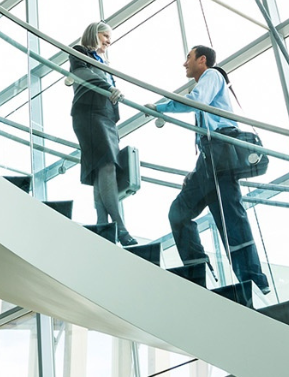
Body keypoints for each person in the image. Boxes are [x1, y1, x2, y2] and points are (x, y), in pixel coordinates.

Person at [145, 45, 270, 294]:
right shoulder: (207, 82)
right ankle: (197, 271)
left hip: (221, 158)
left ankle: (254, 281)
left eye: (188, 58)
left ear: (203, 60)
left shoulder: (212, 75)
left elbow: (197, 101)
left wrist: (160, 107)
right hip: (208, 162)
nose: (185, 63)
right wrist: (196, 172)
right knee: (179, 214)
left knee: (232, 220)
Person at [70, 21, 136, 246]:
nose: (109, 41)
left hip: (106, 117)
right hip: (89, 114)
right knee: (107, 165)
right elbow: (82, 74)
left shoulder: (104, 62)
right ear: (93, 34)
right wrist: (109, 89)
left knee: (102, 170)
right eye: (105, 36)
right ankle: (120, 227)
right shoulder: (80, 52)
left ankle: (102, 224)